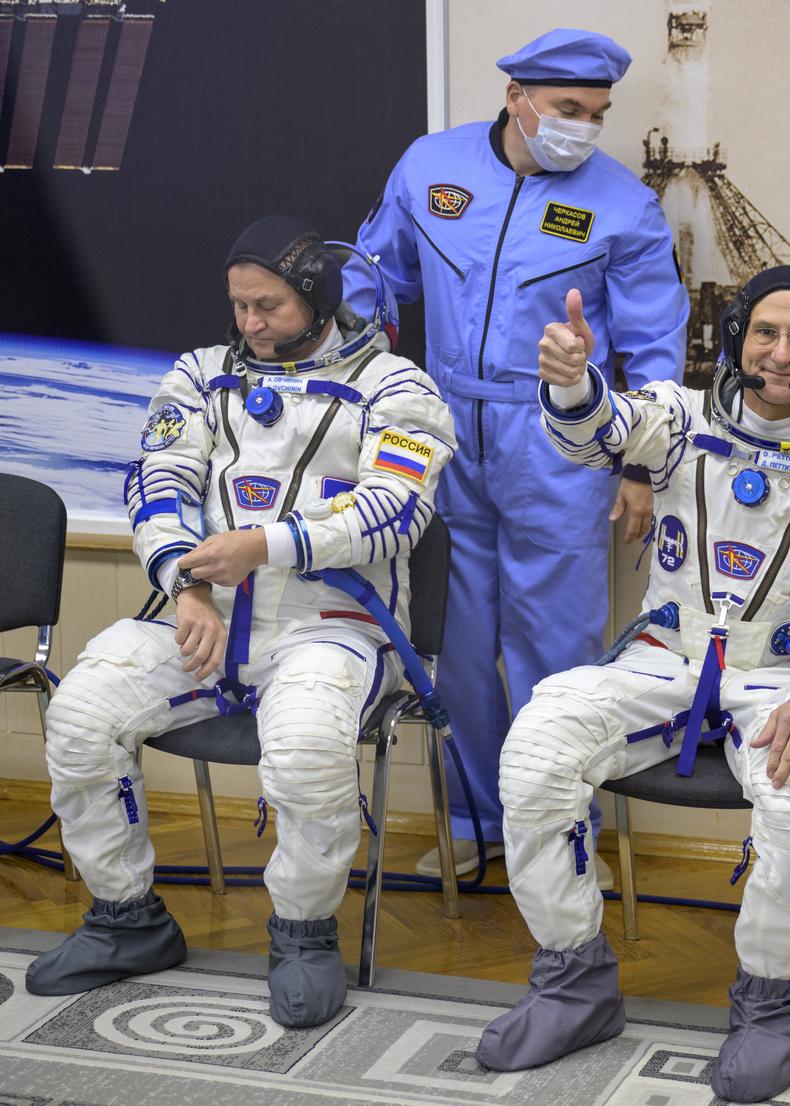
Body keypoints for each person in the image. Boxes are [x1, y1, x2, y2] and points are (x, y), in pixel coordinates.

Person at [477, 267, 790, 1103]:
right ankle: (575, 983)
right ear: (735, 341)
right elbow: (604, 432)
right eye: (764, 333)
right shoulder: (682, 419)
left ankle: (768, 1005)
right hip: (666, 656)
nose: (780, 354)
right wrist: (571, 383)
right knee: (536, 748)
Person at [24, 217, 456, 1028]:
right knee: (81, 714)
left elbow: (396, 512)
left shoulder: (399, 389)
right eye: (240, 306)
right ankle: (127, 920)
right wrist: (183, 581)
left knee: (302, 749)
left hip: (333, 625)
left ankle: (302, 934)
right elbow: (156, 482)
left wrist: (266, 544)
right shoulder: (200, 375)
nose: (250, 325)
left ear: (319, 300)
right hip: (207, 617)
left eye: (270, 307)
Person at [345, 28, 689, 886]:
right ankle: (471, 820)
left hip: (561, 446)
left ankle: (561, 832)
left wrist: (643, 465)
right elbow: (372, 281)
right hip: (444, 434)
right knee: (456, 645)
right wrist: (352, 382)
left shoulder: (622, 206)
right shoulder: (430, 168)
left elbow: (654, 345)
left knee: (557, 649)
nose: (583, 127)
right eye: (568, 109)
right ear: (517, 99)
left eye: (597, 114)